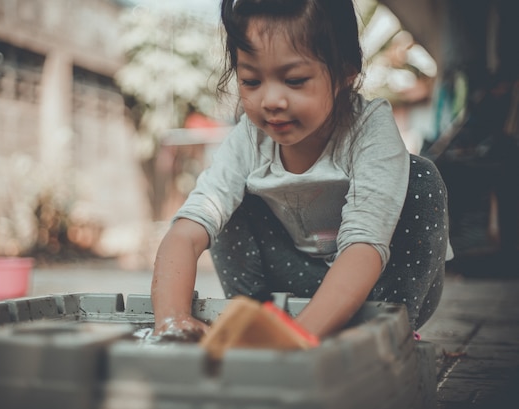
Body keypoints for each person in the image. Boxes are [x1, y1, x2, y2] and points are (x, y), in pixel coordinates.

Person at [151, 0, 451, 341]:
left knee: (422, 178)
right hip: (288, 283)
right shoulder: (247, 141)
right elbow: (187, 232)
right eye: (251, 81)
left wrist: (297, 338)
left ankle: (388, 333)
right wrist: (171, 319)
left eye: (294, 80)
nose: (271, 100)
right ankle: (259, 323)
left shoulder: (370, 129)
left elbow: (364, 245)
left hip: (375, 286)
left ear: (344, 73)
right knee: (225, 206)